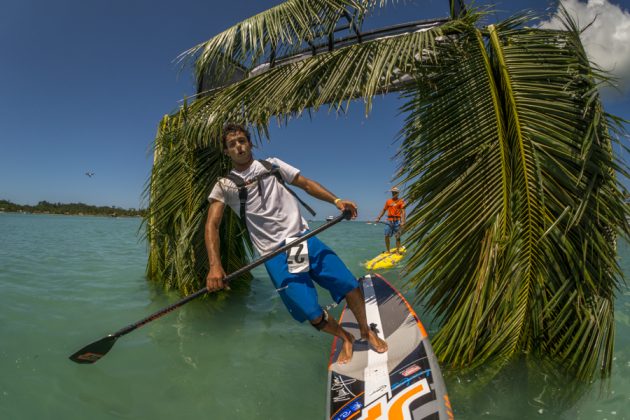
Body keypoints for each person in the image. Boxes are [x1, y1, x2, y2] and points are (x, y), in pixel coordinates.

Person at [205, 123, 387, 364]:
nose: (238, 146)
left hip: (300, 240)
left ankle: (366, 331)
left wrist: (337, 200)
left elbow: (306, 183)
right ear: (226, 152)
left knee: (348, 284)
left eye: (242, 140)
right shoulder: (224, 185)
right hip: (274, 254)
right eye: (232, 144)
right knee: (310, 312)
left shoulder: (273, 165)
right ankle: (346, 338)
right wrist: (215, 265)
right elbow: (212, 225)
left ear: (250, 143)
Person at [374, 187, 406, 254]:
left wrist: (403, 221)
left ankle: (397, 251)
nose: (393, 193)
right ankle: (388, 251)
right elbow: (384, 210)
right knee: (386, 235)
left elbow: (403, 212)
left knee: (397, 236)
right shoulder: (388, 201)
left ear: (398, 193)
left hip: (397, 221)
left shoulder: (401, 201)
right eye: (392, 192)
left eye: (395, 192)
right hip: (389, 221)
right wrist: (378, 217)